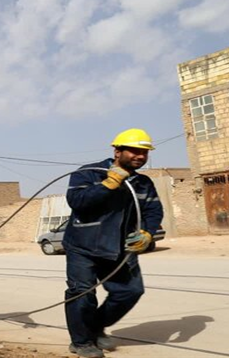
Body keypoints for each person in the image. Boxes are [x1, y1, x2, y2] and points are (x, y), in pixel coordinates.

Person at [62, 128, 163, 358]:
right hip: (83, 245)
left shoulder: (143, 183)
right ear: (117, 151)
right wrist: (107, 185)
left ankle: (94, 327)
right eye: (134, 151)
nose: (140, 156)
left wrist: (147, 232)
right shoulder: (88, 173)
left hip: (121, 247)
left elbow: (153, 210)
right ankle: (81, 342)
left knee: (131, 291)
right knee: (82, 293)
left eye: (144, 152)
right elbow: (77, 201)